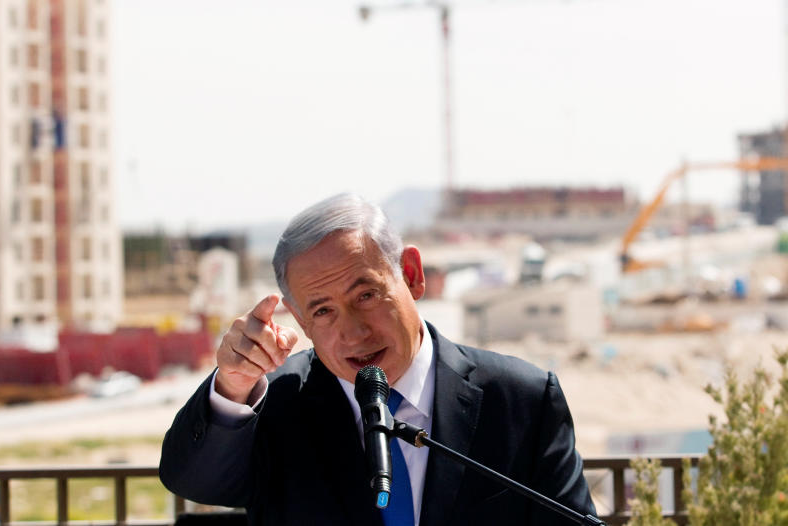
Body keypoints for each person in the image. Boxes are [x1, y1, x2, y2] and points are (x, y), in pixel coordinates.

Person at [160, 193, 596, 526]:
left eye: (366, 295)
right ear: (299, 320)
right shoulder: (275, 403)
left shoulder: (522, 399)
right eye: (323, 311)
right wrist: (233, 386)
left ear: (411, 274)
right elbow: (195, 482)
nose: (353, 332)